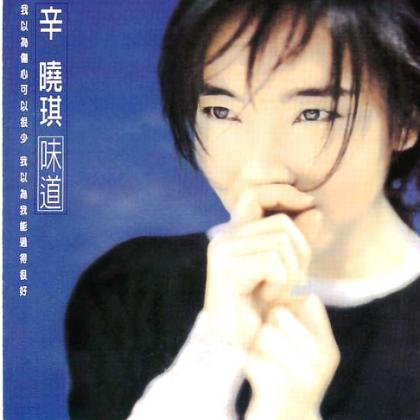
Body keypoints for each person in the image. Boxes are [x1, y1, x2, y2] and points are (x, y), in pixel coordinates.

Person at [65, 0, 420, 419]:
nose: (259, 168)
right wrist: (213, 347)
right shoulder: (132, 289)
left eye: (314, 114)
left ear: (406, 121)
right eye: (222, 111)